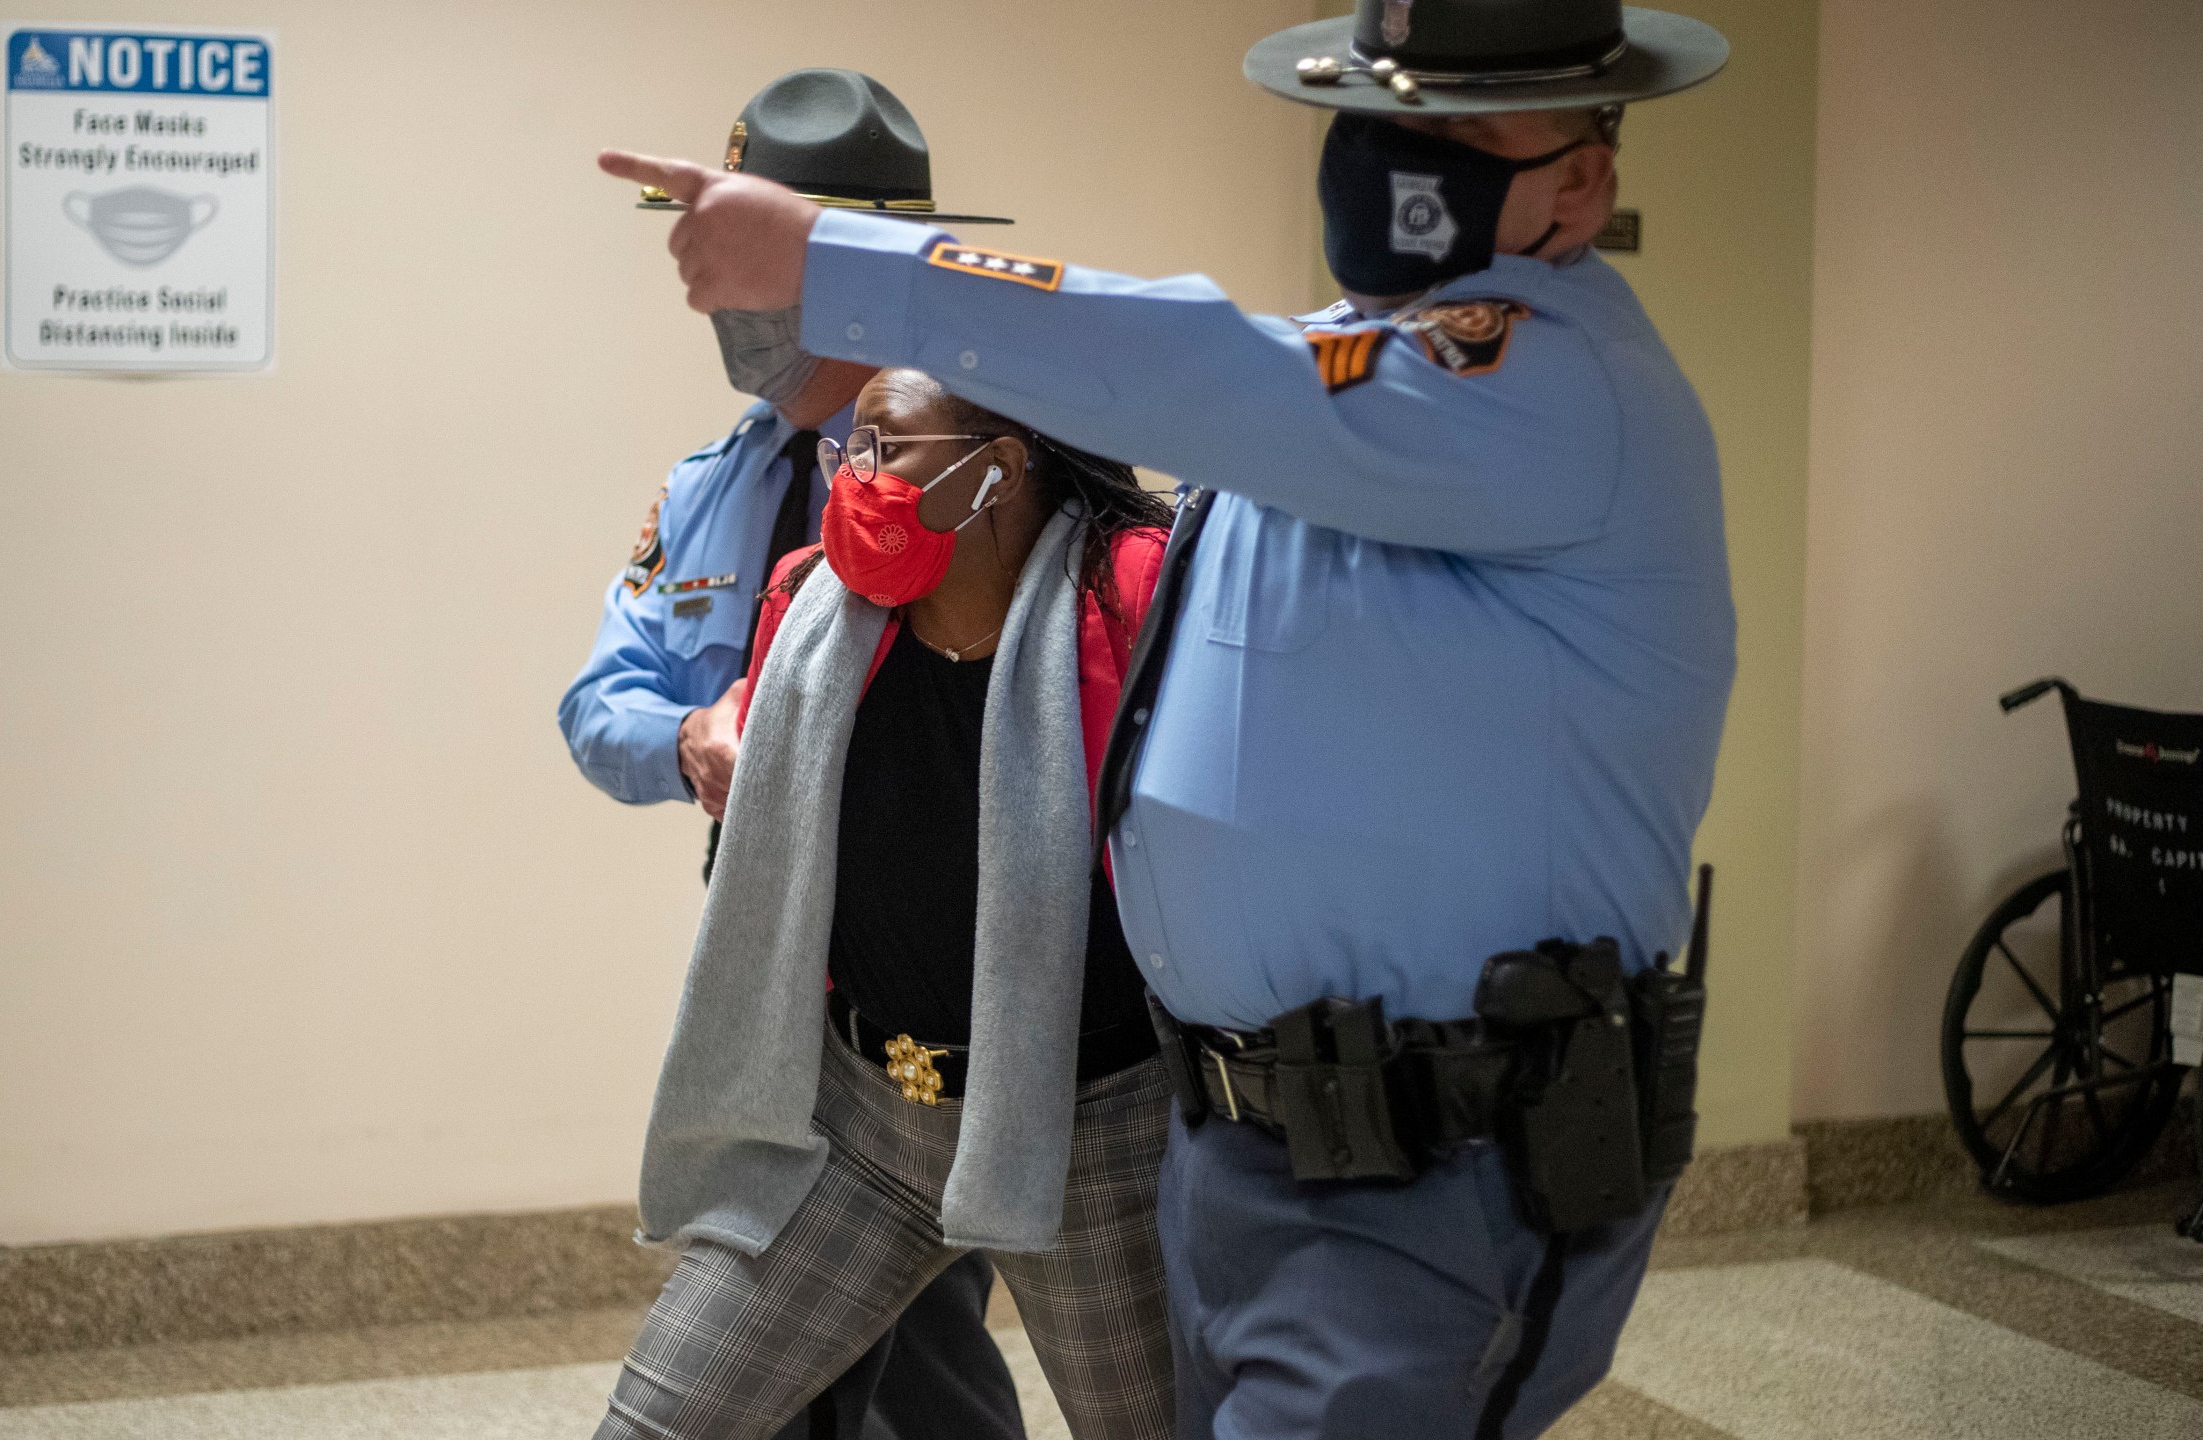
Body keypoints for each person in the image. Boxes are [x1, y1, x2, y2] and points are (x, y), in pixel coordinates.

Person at [597, 2, 1739, 1436]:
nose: (1398, 158)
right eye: (1383, 120)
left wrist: (836, 263)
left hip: (1435, 1158)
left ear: (1582, 178)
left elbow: (1210, 374)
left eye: (1459, 134)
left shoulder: (1543, 387)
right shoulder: (1351, 368)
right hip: (1238, 1142)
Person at [558, 69, 1026, 1440]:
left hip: (953, 979)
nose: (707, 292)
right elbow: (600, 702)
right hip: (773, 980)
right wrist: (690, 736)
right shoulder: (721, 480)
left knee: (902, 1344)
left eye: (738, 247)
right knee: (856, 1357)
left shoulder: (990, 465)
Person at [593, 369, 1178, 1440]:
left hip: (1085, 1126)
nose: (852, 483)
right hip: (860, 1123)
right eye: (841, 454)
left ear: (995, 469)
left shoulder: (1129, 597)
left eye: (887, 451)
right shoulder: (808, 605)